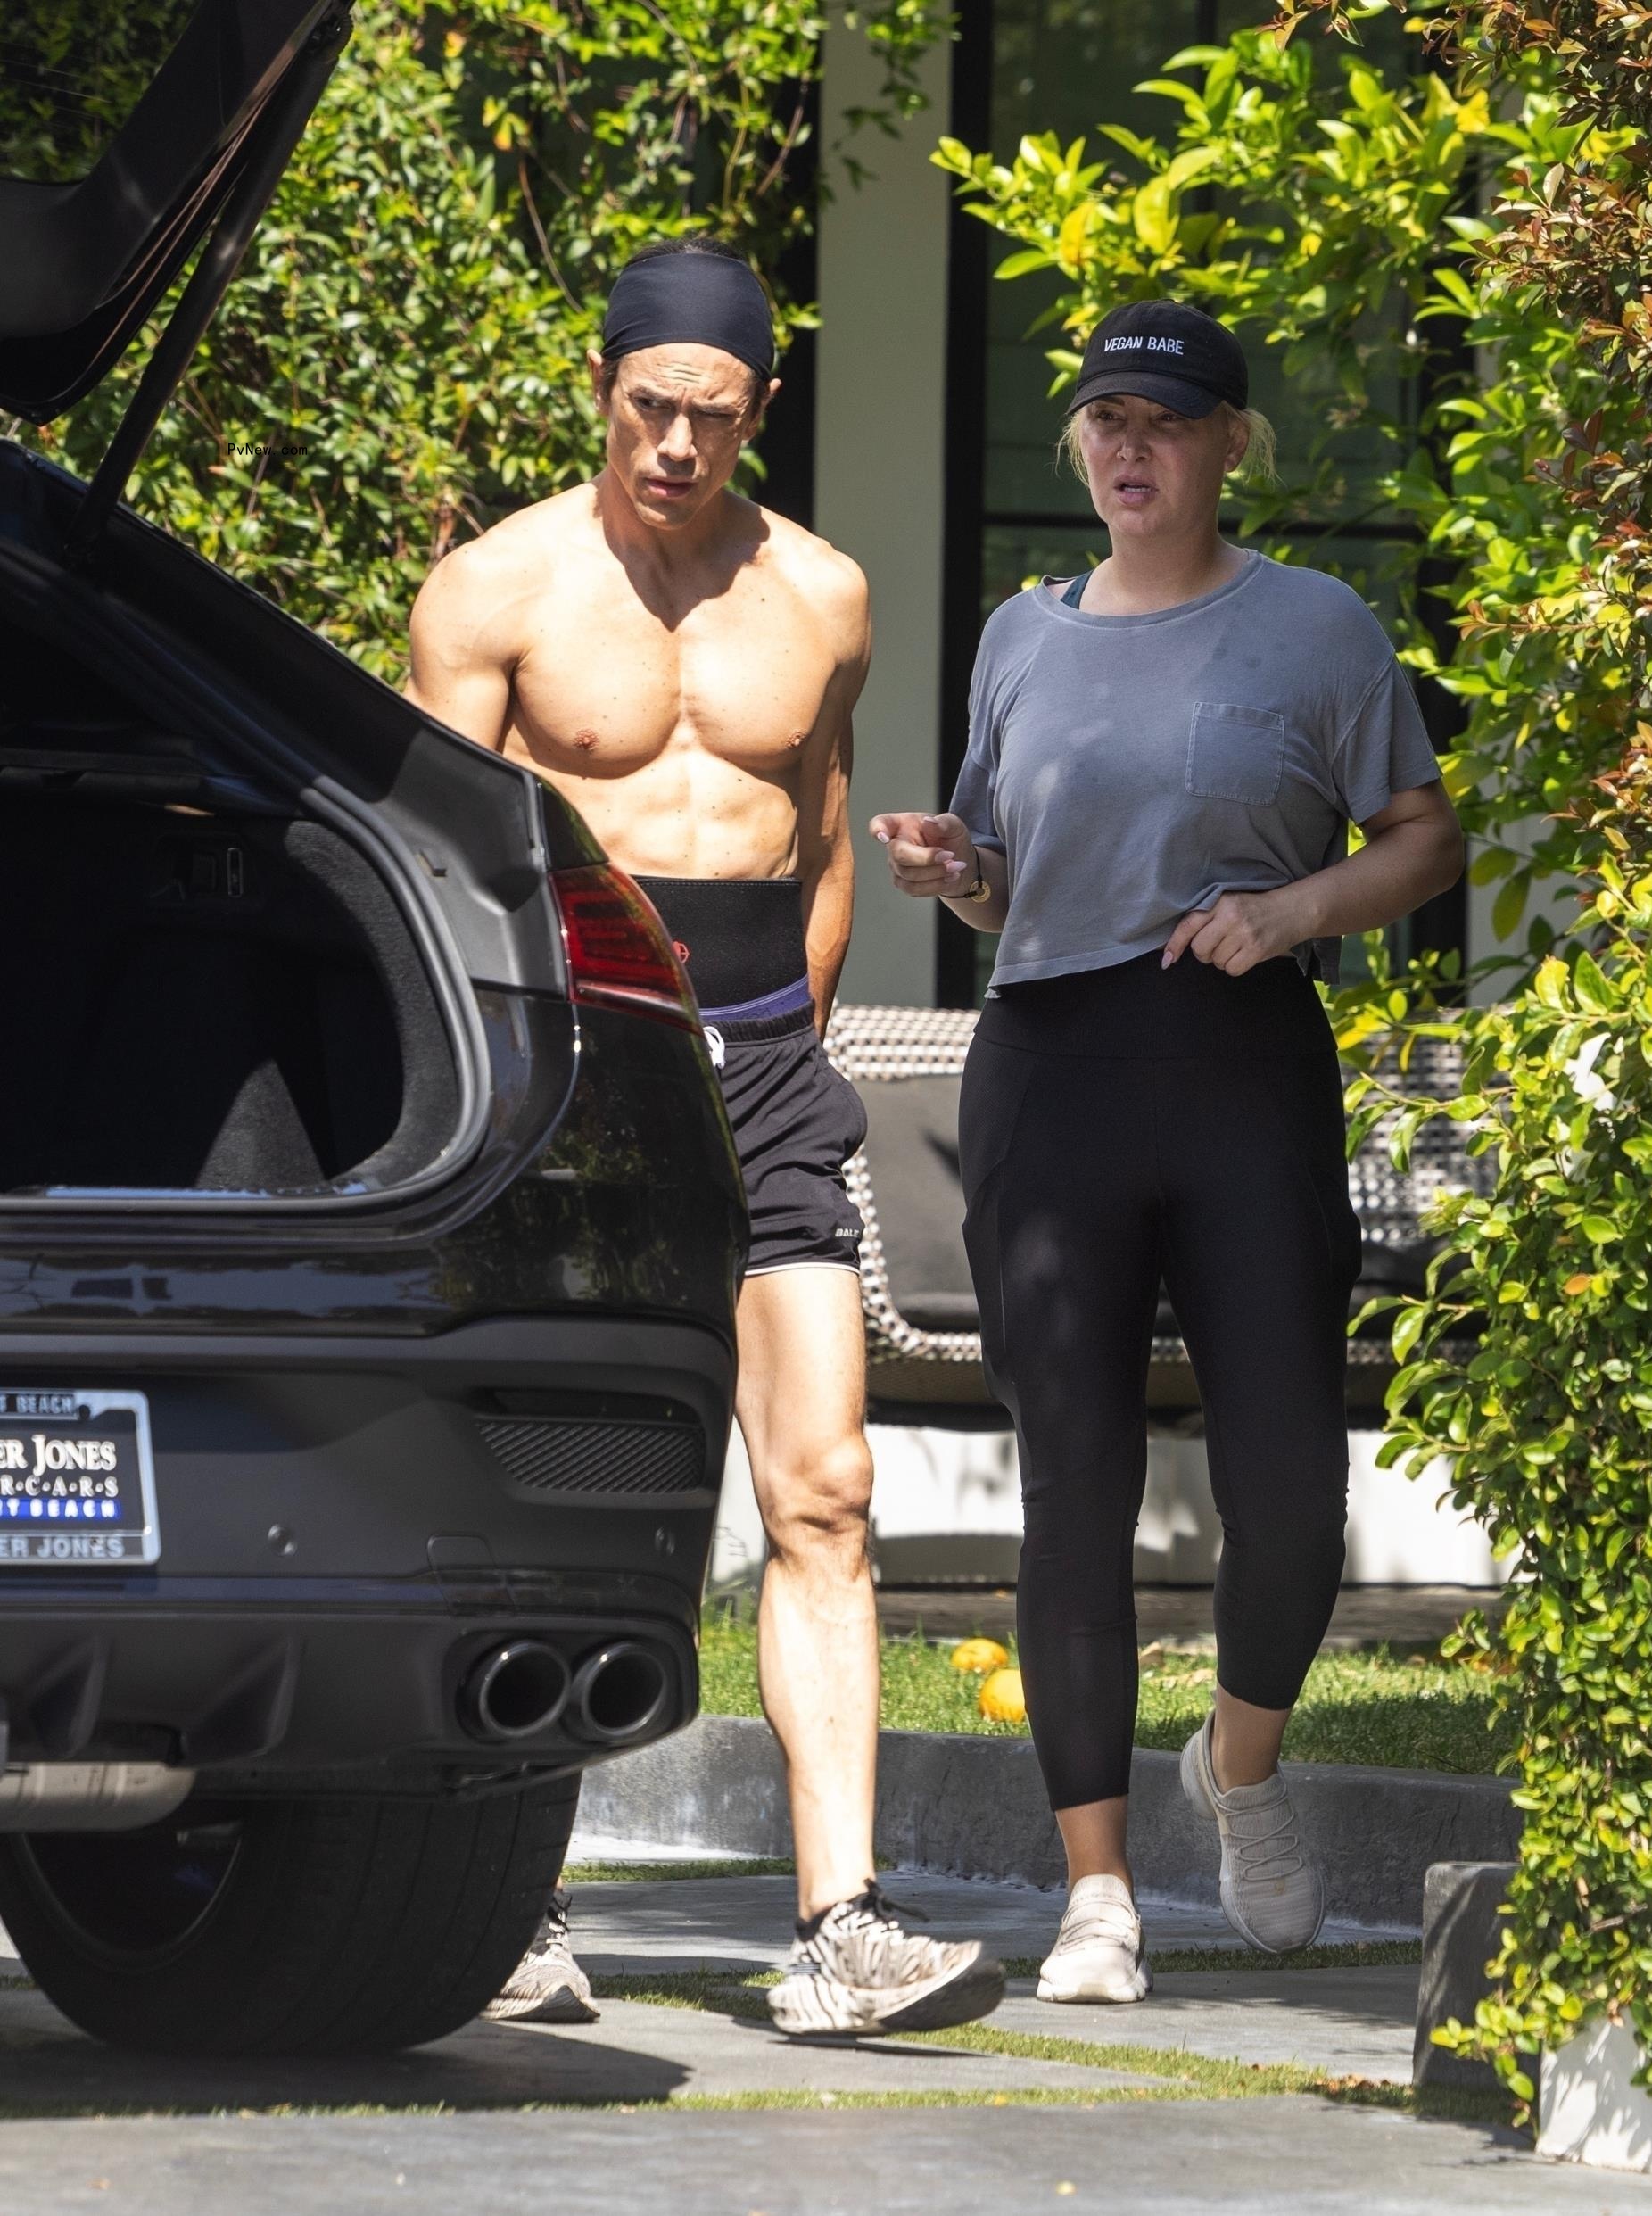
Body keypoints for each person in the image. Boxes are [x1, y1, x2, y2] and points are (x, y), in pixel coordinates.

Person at [403, 237, 1003, 2039]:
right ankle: (514, 1912)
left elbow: (819, 839)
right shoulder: (492, 592)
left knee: (825, 1486)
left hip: (757, 1070)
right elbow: (441, 865)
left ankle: (842, 1928)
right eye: (651, 407)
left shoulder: (822, 595)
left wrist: (786, 1048)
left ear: (761, 413)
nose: (677, 444)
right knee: (547, 1479)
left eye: (715, 418)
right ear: (605, 389)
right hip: (569, 1081)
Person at [872, 300, 1465, 2004]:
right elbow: (1008, 877)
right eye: (1104, 423)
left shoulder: (1317, 629)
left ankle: (1243, 1769)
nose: (1128, 450)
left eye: (1165, 422)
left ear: (1227, 446)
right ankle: (1098, 1895)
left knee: (1291, 1487)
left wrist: (1289, 912)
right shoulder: (1021, 637)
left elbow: (1423, 838)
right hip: (1051, 1070)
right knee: (1078, 1487)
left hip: (1241, 1065)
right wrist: (951, 870)